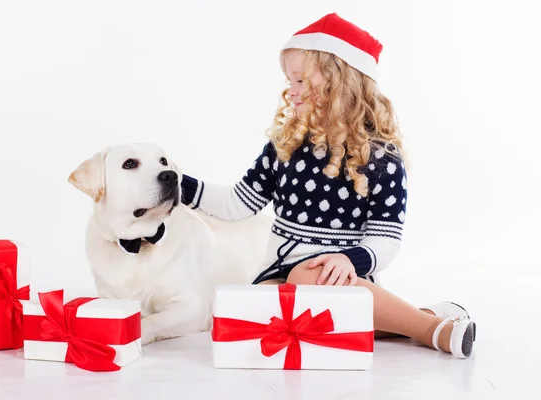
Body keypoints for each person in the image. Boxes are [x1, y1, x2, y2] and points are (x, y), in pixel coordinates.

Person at [180, 13, 475, 358]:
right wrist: (174, 185)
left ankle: (431, 330)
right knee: (254, 312)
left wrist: (350, 260)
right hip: (280, 272)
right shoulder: (285, 146)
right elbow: (236, 203)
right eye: (290, 81)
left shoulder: (382, 159)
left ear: (341, 81)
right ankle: (412, 318)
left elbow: (386, 239)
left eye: (300, 80)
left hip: (340, 278)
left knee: (307, 279)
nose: (291, 91)